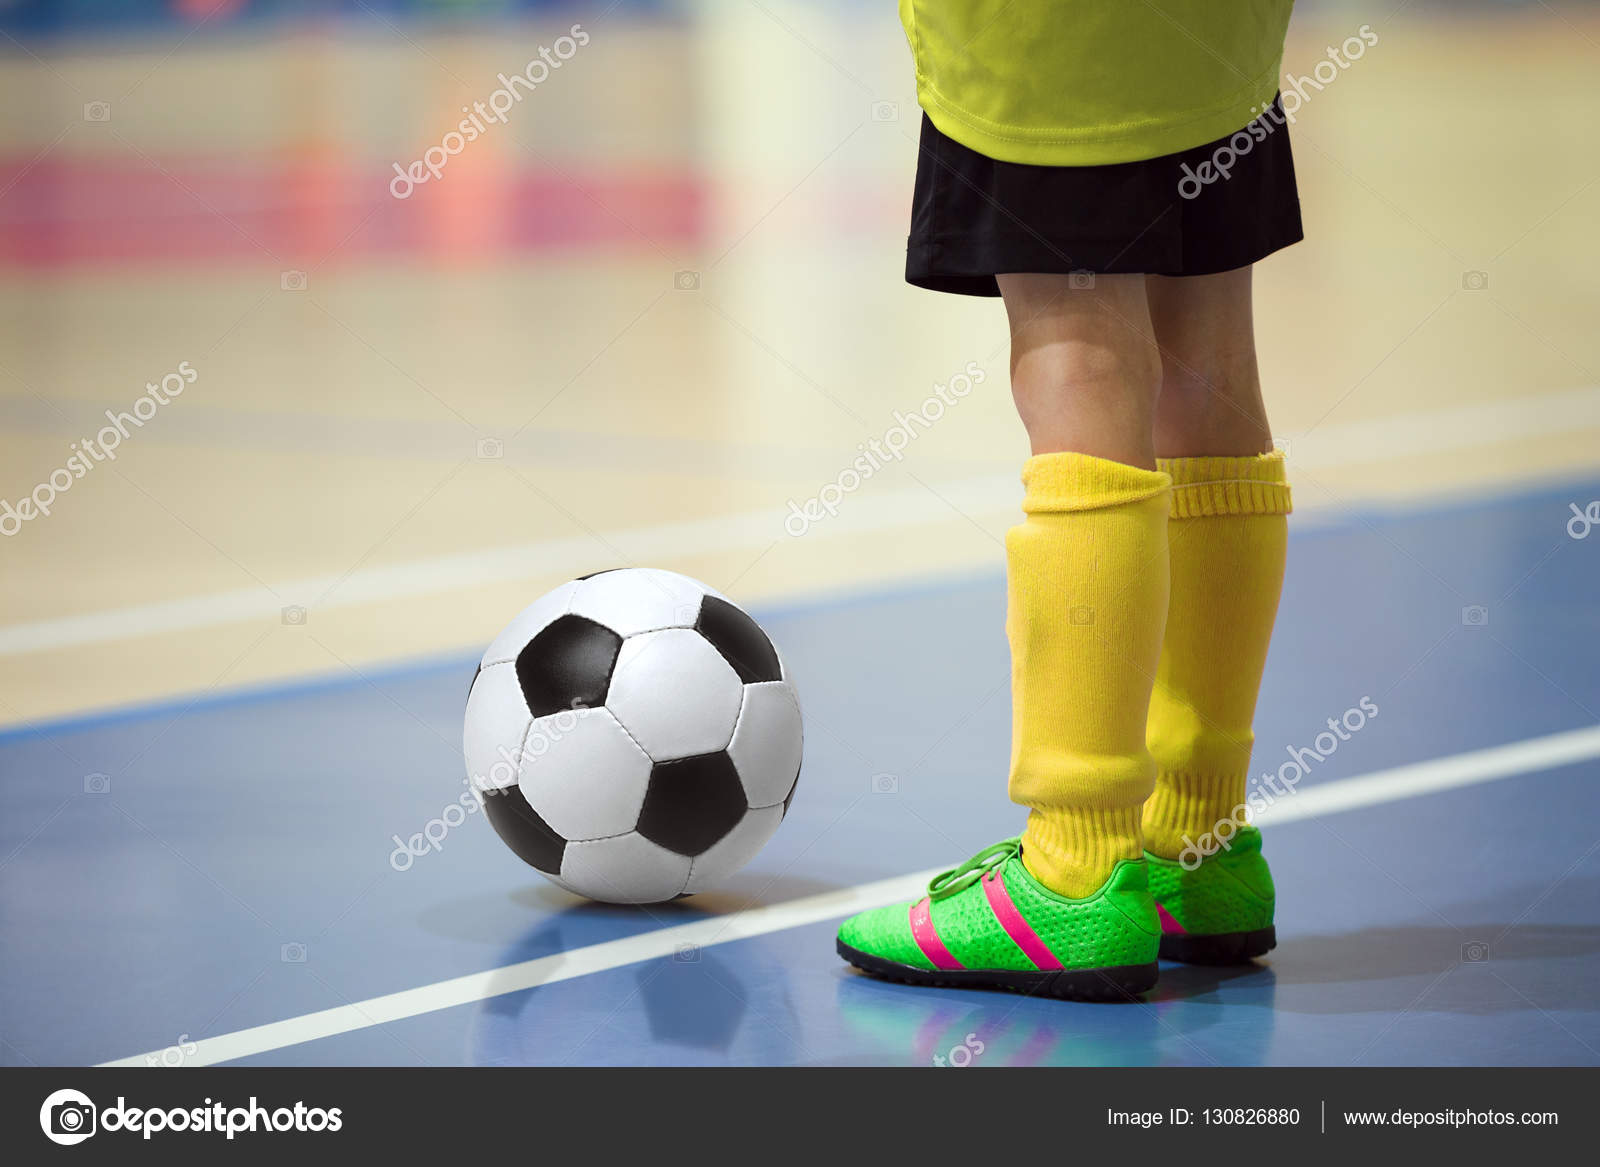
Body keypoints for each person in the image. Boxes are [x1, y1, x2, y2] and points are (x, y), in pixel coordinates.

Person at [836, 0, 1301, 997]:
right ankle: (1199, 835)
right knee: (1209, 353)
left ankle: (1075, 867)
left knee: (1077, 352)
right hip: (1218, 33)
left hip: (1051, 30)